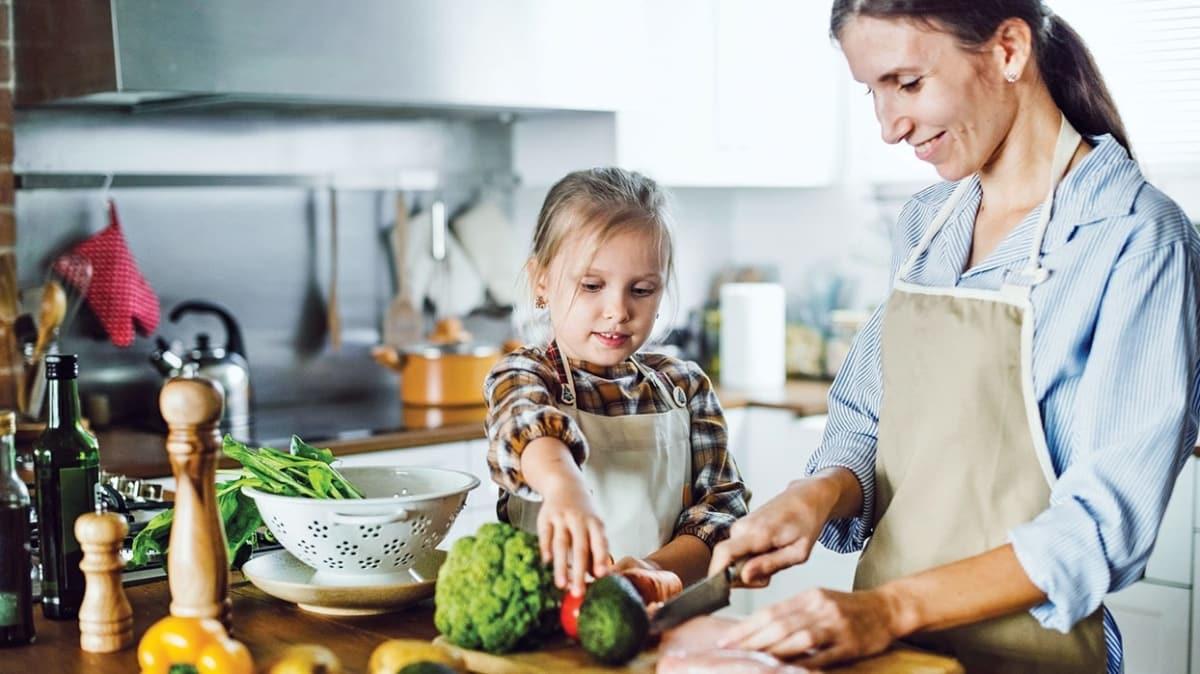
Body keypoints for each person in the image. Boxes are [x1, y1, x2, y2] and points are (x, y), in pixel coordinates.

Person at [708, 2, 1200, 672]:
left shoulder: (1135, 238)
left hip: (1027, 658)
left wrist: (888, 610)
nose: (889, 127)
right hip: (895, 657)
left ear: (1006, 51)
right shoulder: (926, 227)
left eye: (907, 84)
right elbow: (866, 421)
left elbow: (1100, 531)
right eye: (873, 92)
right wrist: (816, 495)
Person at [485, 167, 749, 596]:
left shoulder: (687, 389)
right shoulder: (526, 375)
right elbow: (524, 424)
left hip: (661, 620)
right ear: (542, 282)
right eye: (592, 285)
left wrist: (646, 574)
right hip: (549, 627)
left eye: (641, 290)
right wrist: (563, 486)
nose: (618, 310)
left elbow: (720, 516)